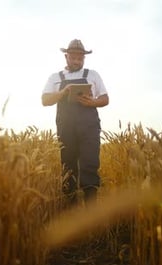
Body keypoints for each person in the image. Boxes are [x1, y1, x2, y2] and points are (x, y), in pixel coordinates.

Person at [42, 39, 109, 207]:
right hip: (66, 127)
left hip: (89, 126)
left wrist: (92, 102)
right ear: (66, 57)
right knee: (68, 164)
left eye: (81, 58)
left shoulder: (93, 75)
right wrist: (63, 92)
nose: (77, 61)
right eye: (74, 57)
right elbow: (45, 100)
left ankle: (91, 209)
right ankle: (69, 206)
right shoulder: (55, 78)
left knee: (89, 163)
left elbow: (105, 99)